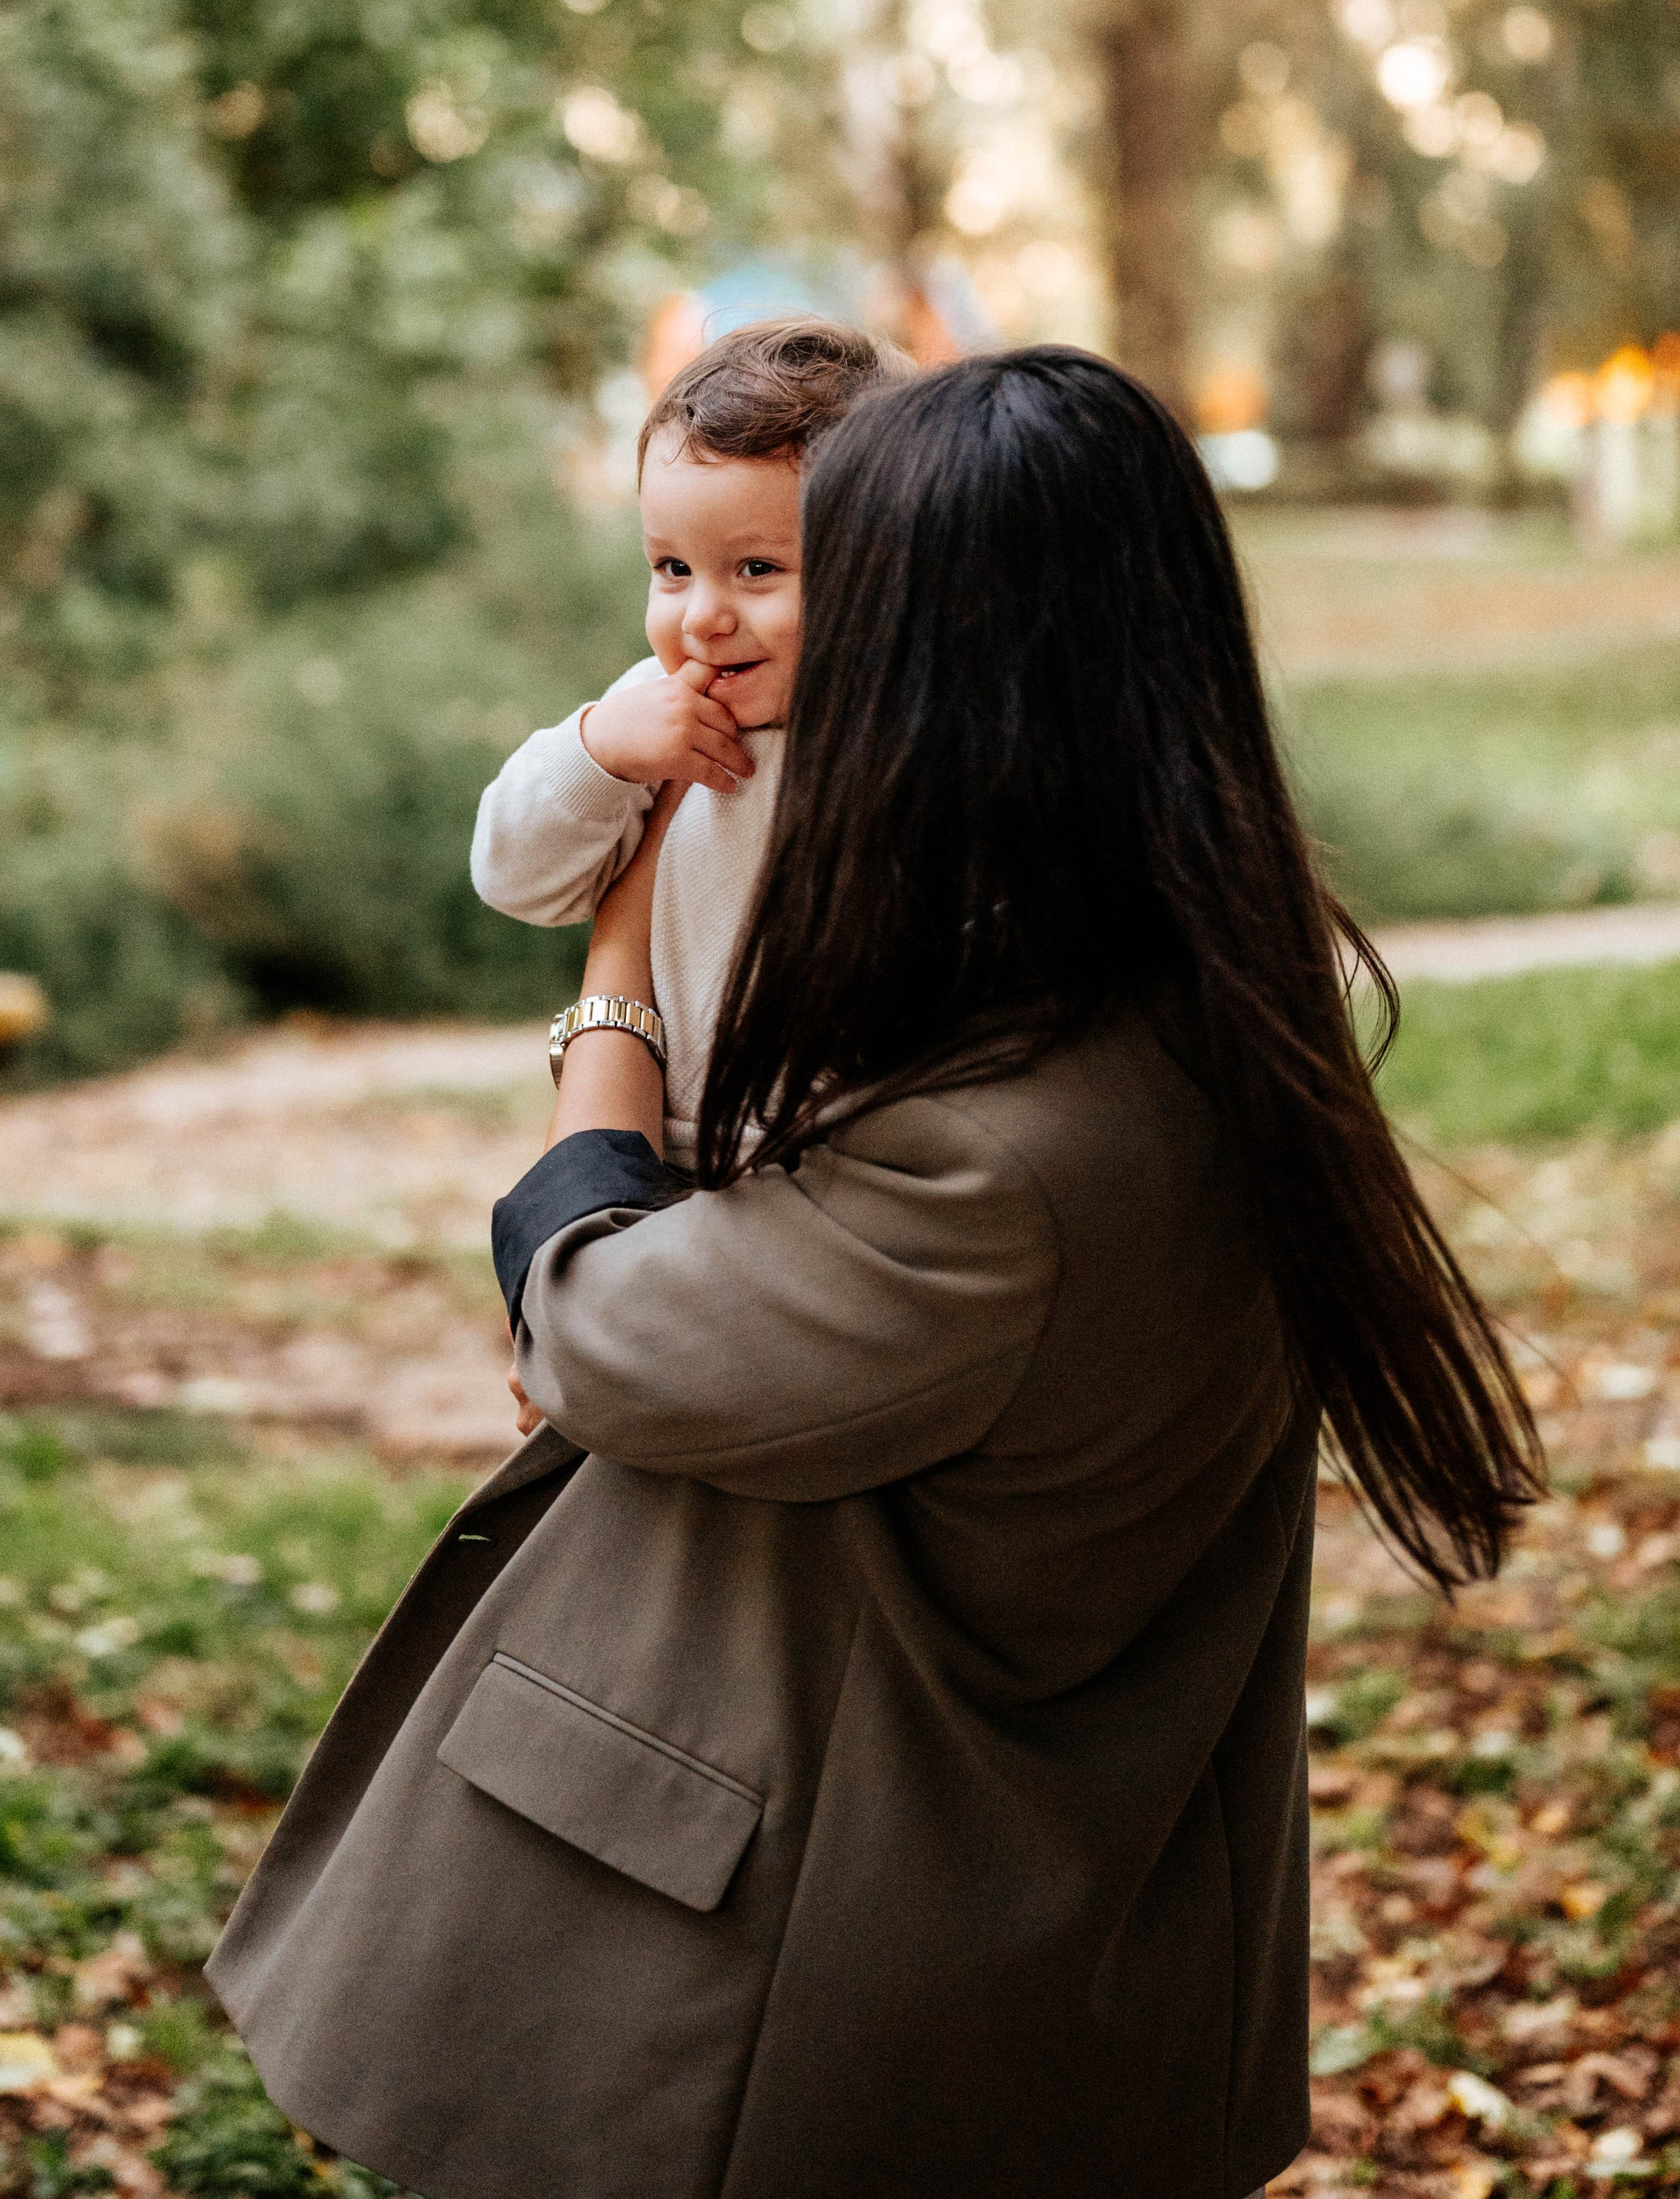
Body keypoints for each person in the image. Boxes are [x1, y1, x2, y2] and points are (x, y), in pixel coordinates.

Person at [207, 349, 1542, 2199]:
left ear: (970, 662)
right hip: (1049, 1908)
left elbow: (594, 1325)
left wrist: (611, 985)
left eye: (817, 582)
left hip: (838, 1986)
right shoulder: (1199, 980)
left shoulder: (1003, 1152)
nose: (719, 633)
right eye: (681, 574)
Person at [470, 315, 911, 1170]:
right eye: (672, 568)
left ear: (881, 568)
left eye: (756, 569)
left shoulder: (898, 731)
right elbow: (514, 876)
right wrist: (597, 752)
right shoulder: (650, 715)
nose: (703, 616)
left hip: (843, 1160)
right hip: (669, 1148)